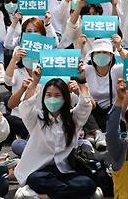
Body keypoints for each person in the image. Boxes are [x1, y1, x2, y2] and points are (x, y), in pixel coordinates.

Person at [13, 66, 100, 199]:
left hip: (66, 170)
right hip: (40, 171)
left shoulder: (73, 119)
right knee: (35, 179)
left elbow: (85, 105)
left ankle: (44, 196)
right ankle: (69, 194)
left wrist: (82, 82)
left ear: (65, 98)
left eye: (57, 95)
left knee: (88, 184)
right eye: (48, 95)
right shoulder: (37, 118)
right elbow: (26, 105)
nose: (52, 99)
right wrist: (35, 82)